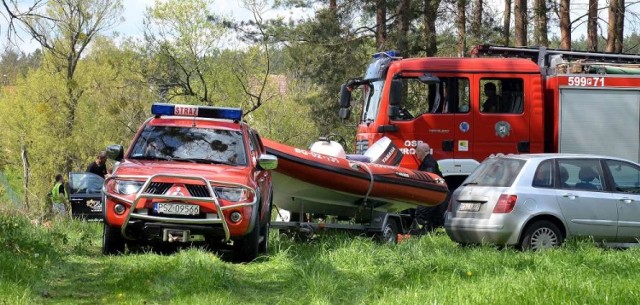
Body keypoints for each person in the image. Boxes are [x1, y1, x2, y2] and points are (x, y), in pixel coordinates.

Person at [412, 142, 448, 234]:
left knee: (421, 214)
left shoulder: (428, 163)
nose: (416, 155)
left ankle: (418, 233)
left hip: (433, 194)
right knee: (435, 218)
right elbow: (439, 179)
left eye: (417, 152)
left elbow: (429, 179)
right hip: (438, 193)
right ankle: (431, 233)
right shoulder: (429, 161)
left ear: (421, 152)